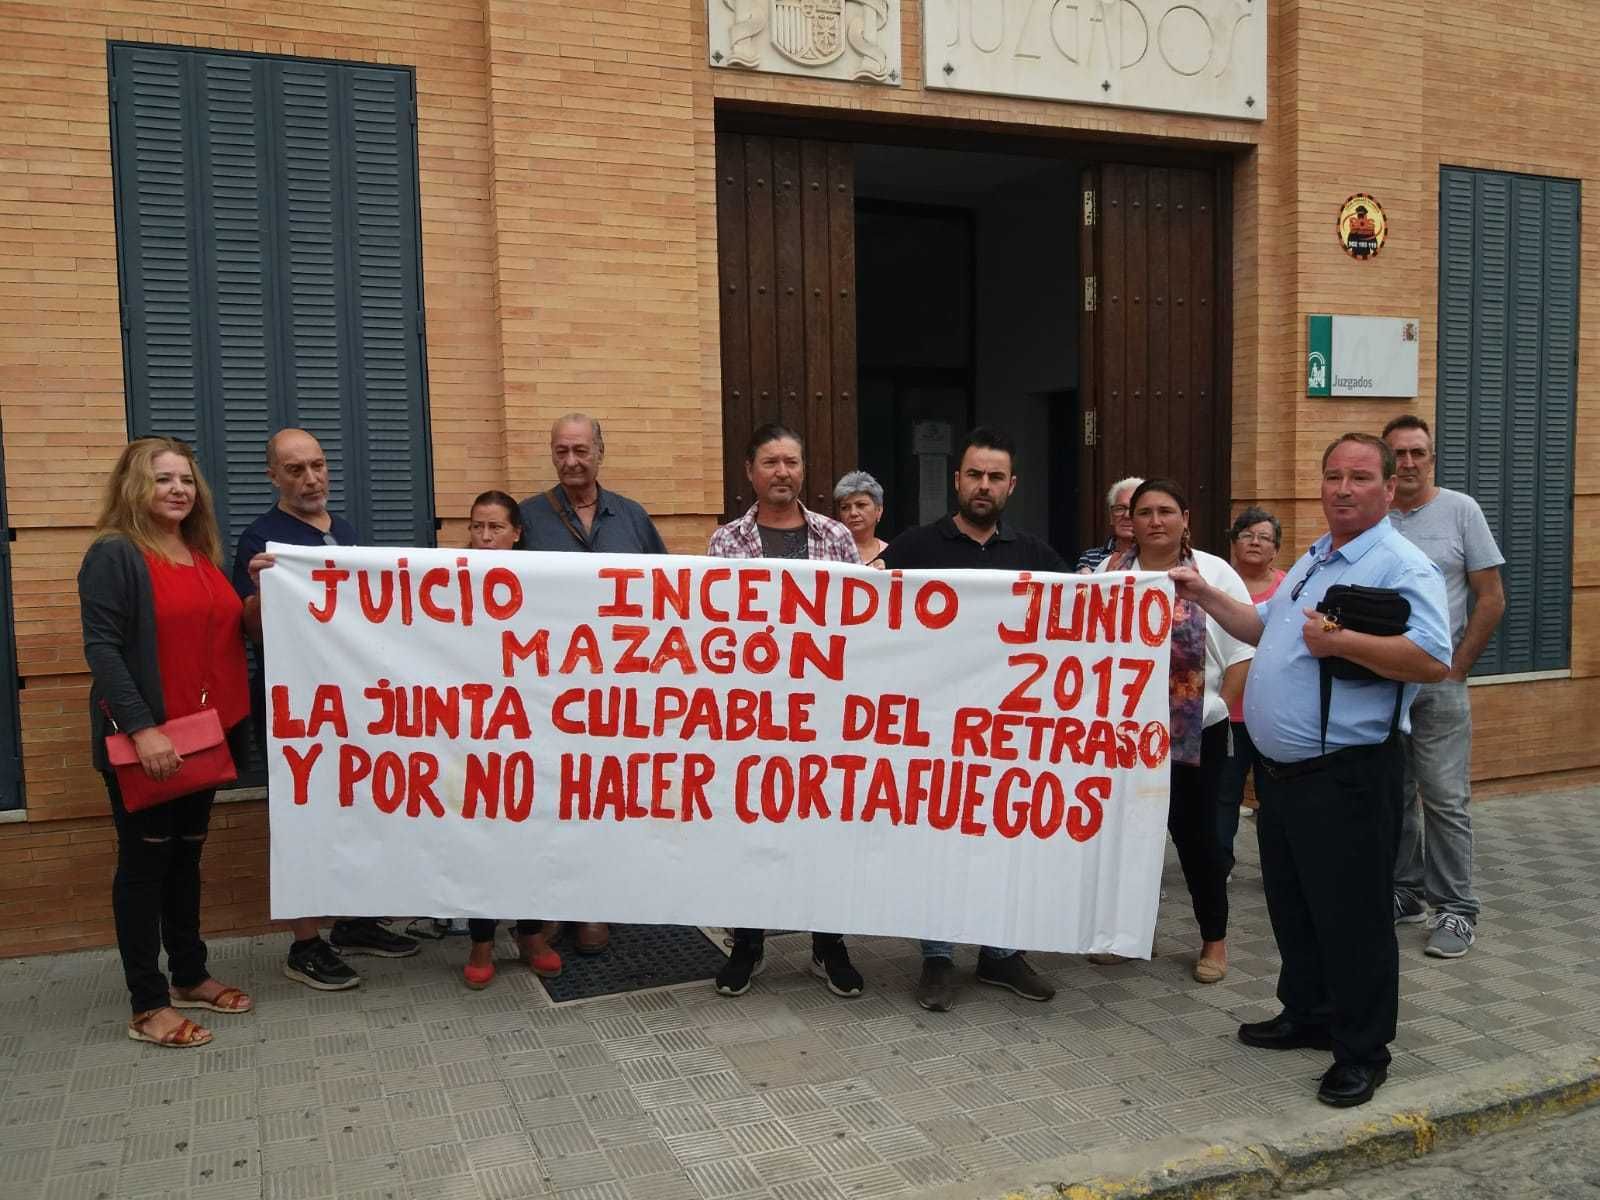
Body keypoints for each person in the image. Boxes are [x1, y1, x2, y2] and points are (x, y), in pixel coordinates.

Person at [1170, 432, 1450, 1108]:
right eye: (1333, 476)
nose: (1343, 489)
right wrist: (1202, 593)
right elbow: (1264, 626)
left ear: (1387, 488)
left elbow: (1434, 659)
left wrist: (1344, 641)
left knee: (1352, 917)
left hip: (1348, 775)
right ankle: (1308, 1013)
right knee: (1295, 907)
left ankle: (1362, 1051)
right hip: (1283, 776)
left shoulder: (1399, 564)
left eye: (1359, 477)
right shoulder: (1316, 557)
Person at [879, 427, 1064, 1012]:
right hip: (932, 728)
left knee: (1005, 841)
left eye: (995, 477)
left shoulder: (1035, 554)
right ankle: (937, 957)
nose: (984, 486)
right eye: (974, 475)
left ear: (1012, 486)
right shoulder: (911, 548)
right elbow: (859, 617)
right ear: (957, 480)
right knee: (938, 841)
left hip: (1009, 732)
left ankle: (1001, 954)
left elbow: (1086, 617)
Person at [79, 438, 255, 1048]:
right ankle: (146, 1005)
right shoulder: (116, 555)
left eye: (185, 479)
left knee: (186, 859)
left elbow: (226, 630)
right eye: (162, 480)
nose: (178, 489)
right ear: (134, 488)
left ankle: (189, 974)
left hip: (203, 738)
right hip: (151, 743)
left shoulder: (197, 551)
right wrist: (142, 728)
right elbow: (101, 649)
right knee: (144, 867)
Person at [233, 428, 420, 991]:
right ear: (273, 477)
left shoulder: (343, 532)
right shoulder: (263, 540)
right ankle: (304, 944)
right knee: (303, 820)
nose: (310, 478)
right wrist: (264, 595)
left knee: (358, 811)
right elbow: (250, 628)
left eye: (317, 465)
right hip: (299, 715)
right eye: (295, 469)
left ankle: (355, 923)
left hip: (352, 708)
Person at [707, 423, 865, 1000]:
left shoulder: (835, 537)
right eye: (770, 462)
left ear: (804, 469)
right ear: (750, 471)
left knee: (824, 830)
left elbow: (861, 622)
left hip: (824, 712)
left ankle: (829, 944)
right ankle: (747, 944)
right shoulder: (726, 542)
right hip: (753, 715)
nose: (782, 472)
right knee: (750, 830)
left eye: (791, 461)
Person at [519, 413, 668, 956]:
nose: (572, 461)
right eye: (561, 451)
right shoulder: (529, 518)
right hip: (548, 692)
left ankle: (597, 905)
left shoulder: (631, 518)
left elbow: (667, 593)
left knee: (605, 801)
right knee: (553, 802)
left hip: (619, 693)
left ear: (601, 452)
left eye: (581, 450)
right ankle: (555, 905)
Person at [1096, 479, 1252, 984]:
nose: (1155, 521)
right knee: (1128, 836)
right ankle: (1128, 936)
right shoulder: (1110, 573)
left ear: (1186, 517)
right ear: (1129, 520)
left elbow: (1243, 651)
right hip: (1126, 735)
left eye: (1166, 511)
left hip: (1195, 732)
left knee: (1198, 839)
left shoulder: (1214, 573)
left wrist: (1217, 709)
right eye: (1144, 512)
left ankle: (1214, 940)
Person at [1383, 414, 1505, 959]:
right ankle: (1405, 893)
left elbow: (1491, 598)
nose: (1408, 463)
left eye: (1417, 453)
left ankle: (1456, 910)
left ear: (1431, 459)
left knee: (1444, 799)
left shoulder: (1461, 511)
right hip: (1382, 684)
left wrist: (1456, 668)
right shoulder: (1374, 516)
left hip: (1437, 685)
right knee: (1395, 796)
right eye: (1399, 454)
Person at [457, 492, 564, 988]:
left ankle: (530, 933)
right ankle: (482, 939)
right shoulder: (447, 582)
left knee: (531, 835)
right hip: (473, 736)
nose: (485, 538)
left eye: (496, 527)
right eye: (477, 527)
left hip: (533, 733)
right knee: (480, 842)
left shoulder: (544, 584)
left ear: (517, 532)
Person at [1217, 506, 1287, 867]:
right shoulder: (1218, 584)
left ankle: (1277, 866)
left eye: (1264, 538)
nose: (1255, 543)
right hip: (1225, 710)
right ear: (1233, 543)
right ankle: (1219, 864)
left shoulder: (1288, 587)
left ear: (1276, 549)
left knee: (1274, 796)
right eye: (1247, 535)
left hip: (1272, 712)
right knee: (1225, 794)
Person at [1076, 476, 1142, 572]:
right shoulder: (1090, 558)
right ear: (1111, 517)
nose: (1127, 515)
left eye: (1134, 509)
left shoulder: (1159, 557)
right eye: (1120, 508)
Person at [833, 470, 888, 567]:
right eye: (845, 507)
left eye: (861, 505)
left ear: (879, 510)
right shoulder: (831, 551)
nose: (853, 513)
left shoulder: (890, 552)